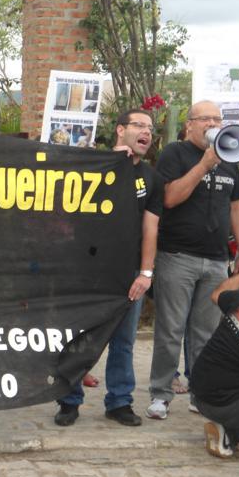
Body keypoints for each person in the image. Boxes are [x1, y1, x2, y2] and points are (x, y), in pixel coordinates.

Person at [54, 109, 163, 426]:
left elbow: (150, 228)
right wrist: (111, 162)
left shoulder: (152, 178)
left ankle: (119, 402)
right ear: (120, 130)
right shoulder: (93, 165)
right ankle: (69, 400)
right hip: (85, 269)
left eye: (150, 127)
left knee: (123, 342)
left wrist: (146, 273)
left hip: (127, 275)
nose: (146, 132)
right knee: (77, 337)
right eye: (139, 125)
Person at [147, 100, 239, 420]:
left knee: (205, 334)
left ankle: (201, 393)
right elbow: (169, 198)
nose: (213, 124)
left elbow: (236, 208)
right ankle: (160, 394)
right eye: (206, 118)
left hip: (217, 260)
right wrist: (204, 165)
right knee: (170, 330)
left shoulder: (229, 158)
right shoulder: (175, 154)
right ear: (189, 124)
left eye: (217, 119)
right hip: (178, 256)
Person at [190, 265, 239, 458]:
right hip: (224, 402)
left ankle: (227, 431)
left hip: (200, 392)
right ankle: (230, 431)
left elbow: (217, 294)